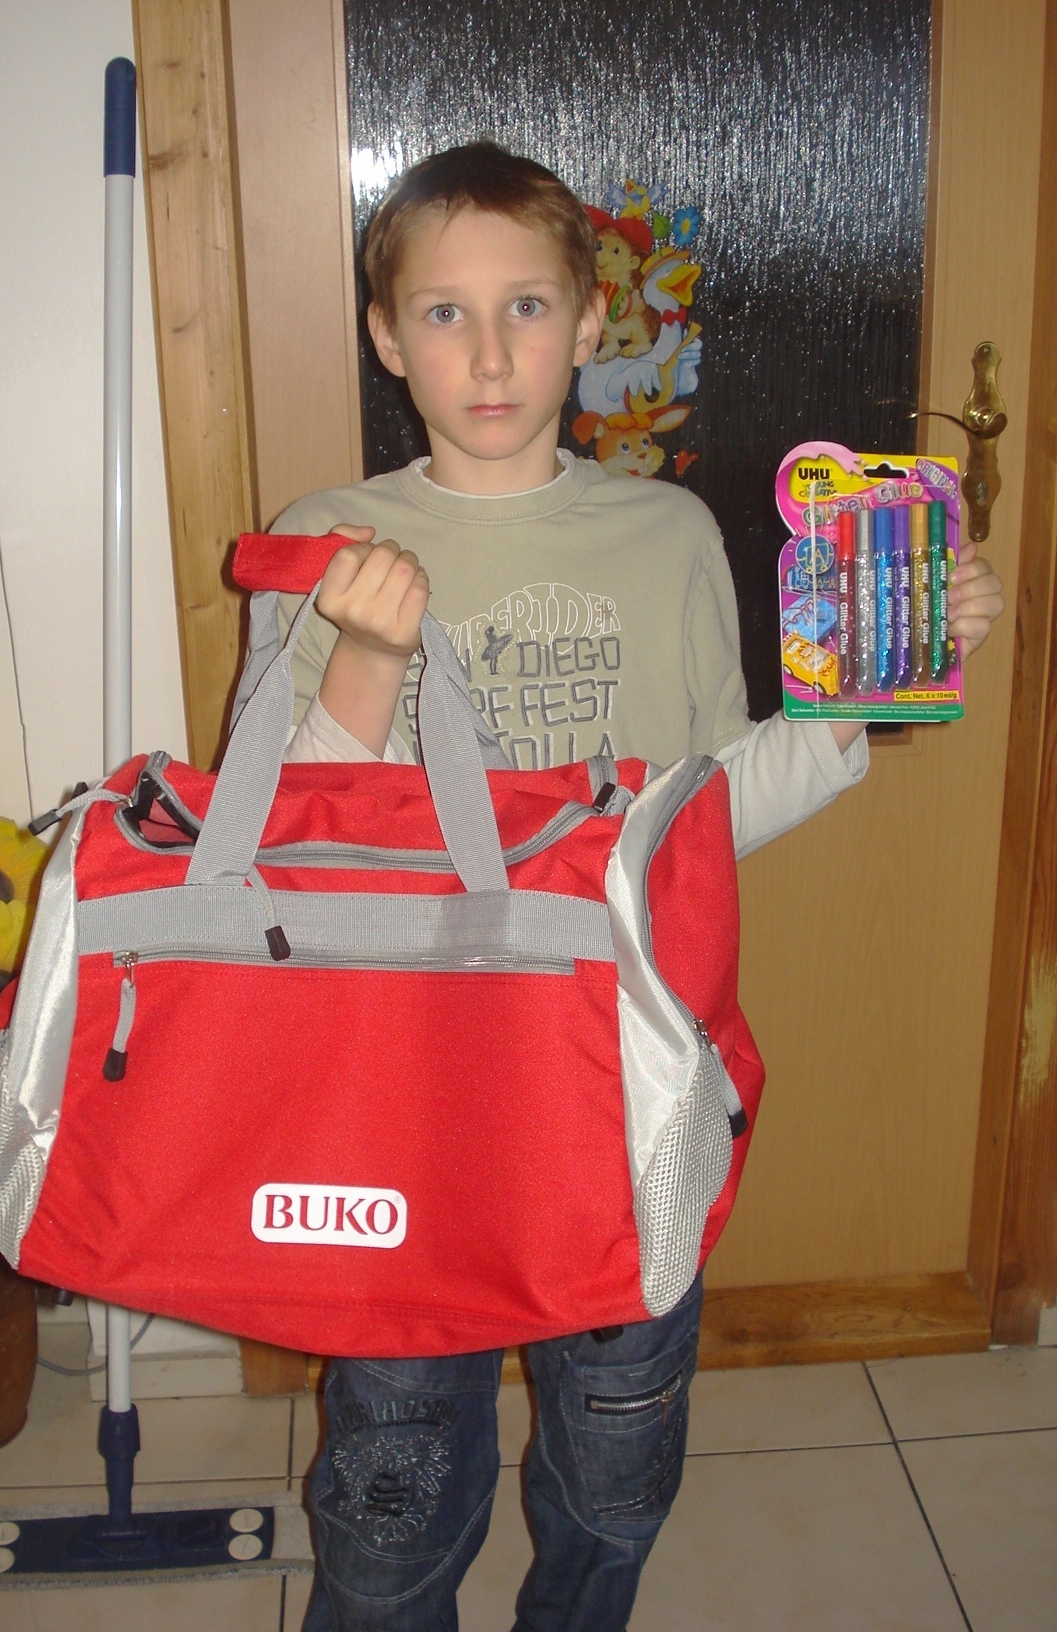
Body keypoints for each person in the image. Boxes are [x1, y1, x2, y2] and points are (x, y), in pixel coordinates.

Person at [269, 142, 1004, 1632]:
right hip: (407, 1100)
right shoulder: (324, 536)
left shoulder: (667, 534)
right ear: (385, 334)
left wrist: (879, 683)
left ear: (594, 320)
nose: (490, 355)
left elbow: (702, 816)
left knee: (615, 1470)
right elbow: (295, 842)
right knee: (397, 1486)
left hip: (625, 1089)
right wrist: (365, 654)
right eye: (445, 313)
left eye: (528, 306)